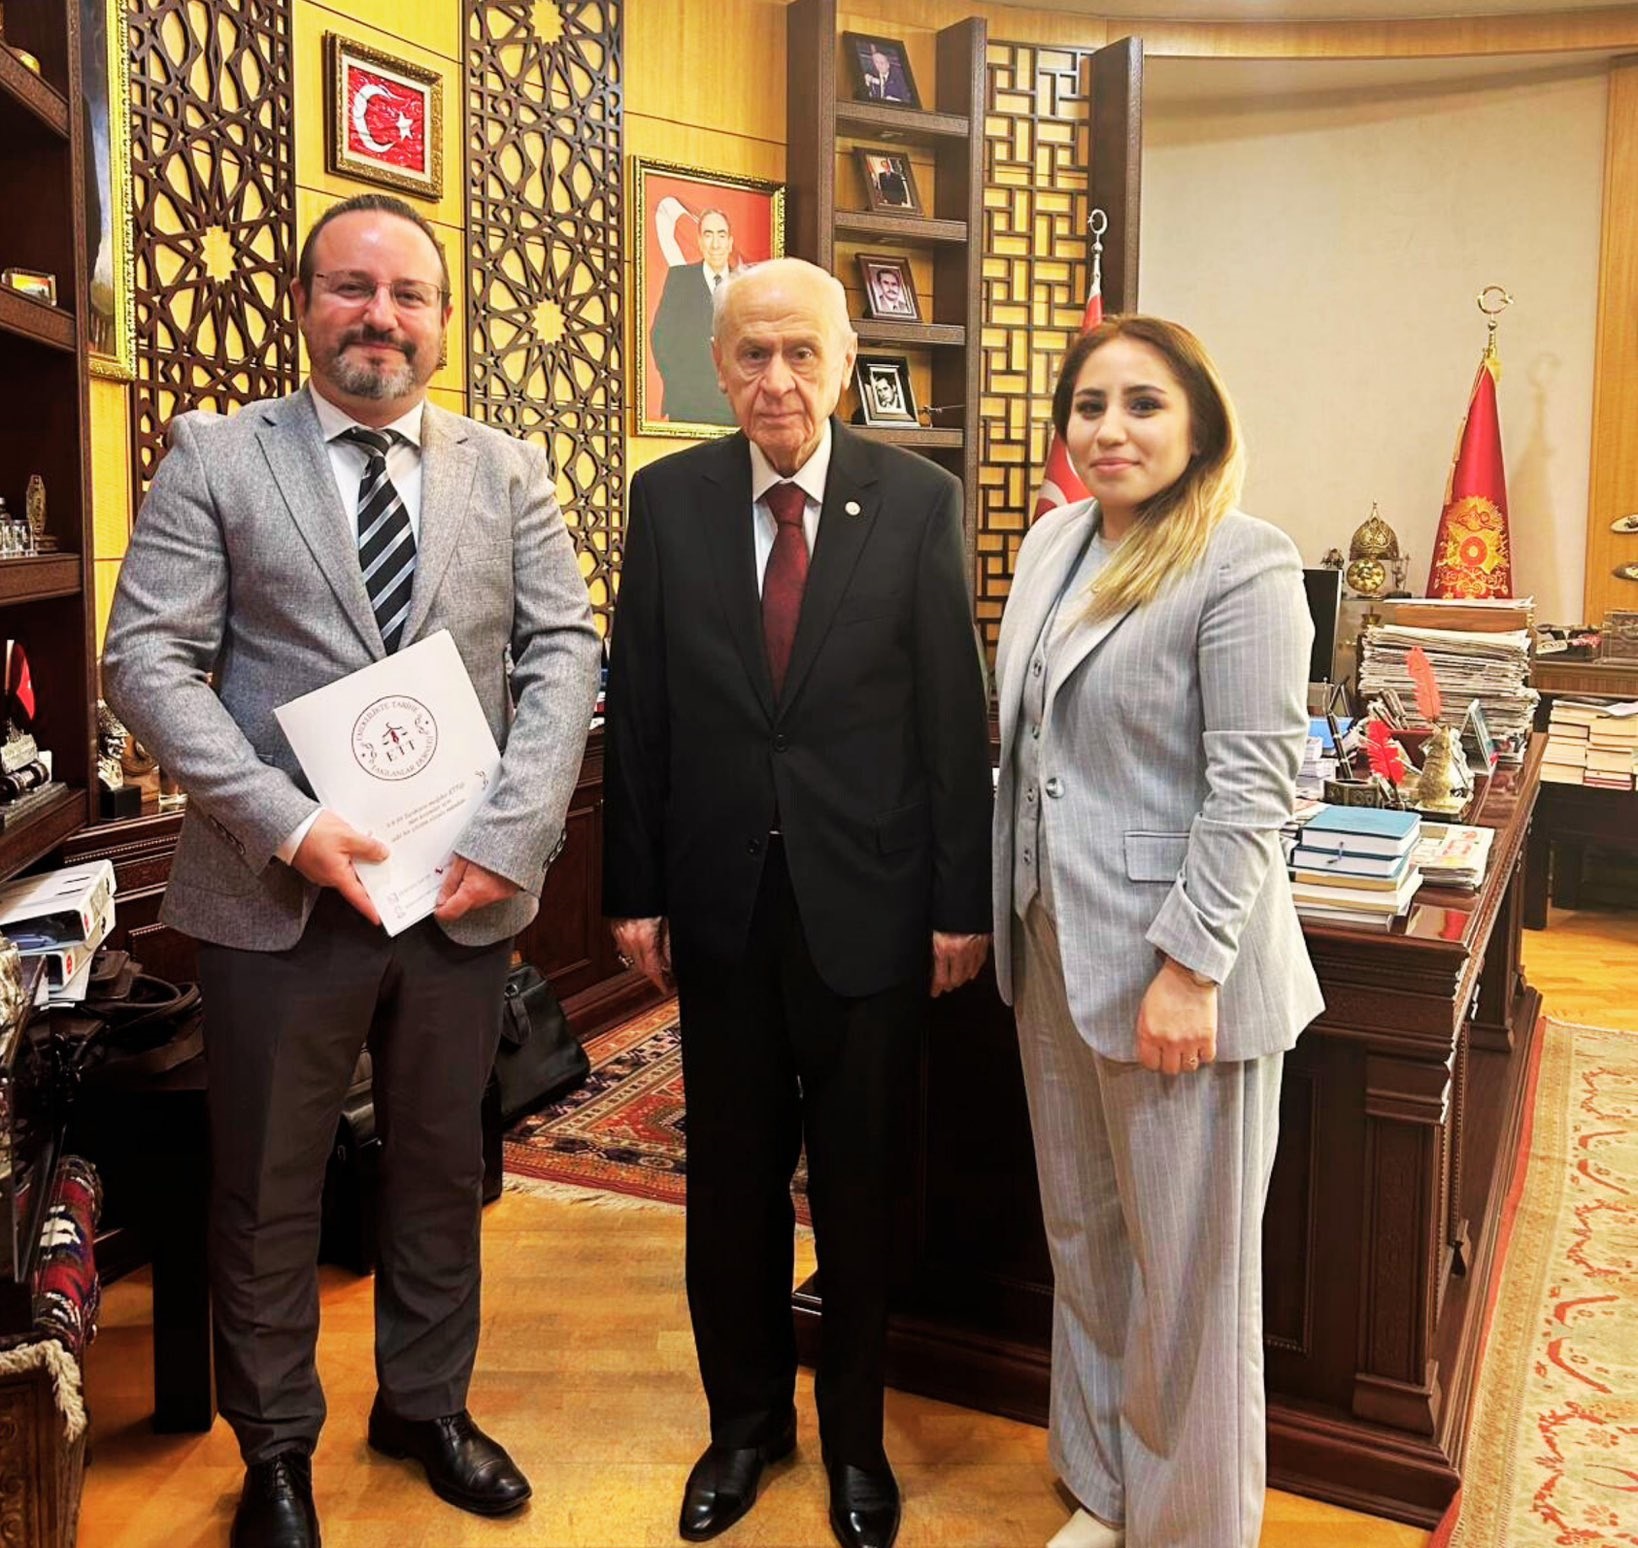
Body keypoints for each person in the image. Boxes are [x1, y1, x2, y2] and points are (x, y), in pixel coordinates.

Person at [102, 193, 601, 1548]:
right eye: (351, 287)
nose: (380, 315)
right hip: (277, 898)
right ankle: (275, 1450)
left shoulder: (508, 469)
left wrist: (513, 833)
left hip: (458, 897)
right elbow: (145, 657)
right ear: (306, 305)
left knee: (440, 1166)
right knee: (268, 1185)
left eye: (407, 293)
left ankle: (425, 1406)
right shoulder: (217, 455)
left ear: (443, 320)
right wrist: (284, 822)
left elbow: (563, 649)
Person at [603, 257, 993, 1548]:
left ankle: (857, 1445)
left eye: (800, 353)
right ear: (717, 368)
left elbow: (951, 716)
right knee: (730, 1187)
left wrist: (959, 902)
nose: (776, 378)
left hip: (871, 908)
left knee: (861, 1190)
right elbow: (640, 706)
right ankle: (746, 1428)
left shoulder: (917, 502)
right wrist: (633, 887)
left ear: (842, 365)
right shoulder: (669, 501)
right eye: (752, 354)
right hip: (720, 908)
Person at [992, 315, 1323, 1548]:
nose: (1110, 429)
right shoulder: (1054, 543)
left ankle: (1189, 1528)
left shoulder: (1244, 561)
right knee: (1086, 1242)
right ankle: (1106, 1487)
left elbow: (1253, 788)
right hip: (1053, 946)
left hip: (1179, 972)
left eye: (1143, 404)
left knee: (1189, 1277)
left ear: (1199, 426)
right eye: (1090, 405)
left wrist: (1189, 967)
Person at [650, 207, 738, 426]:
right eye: (708, 235)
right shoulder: (680, 279)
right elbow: (660, 336)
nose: (715, 244)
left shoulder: (746, 284)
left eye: (721, 235)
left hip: (733, 407)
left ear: (730, 242)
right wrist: (677, 384)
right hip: (687, 405)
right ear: (699, 241)